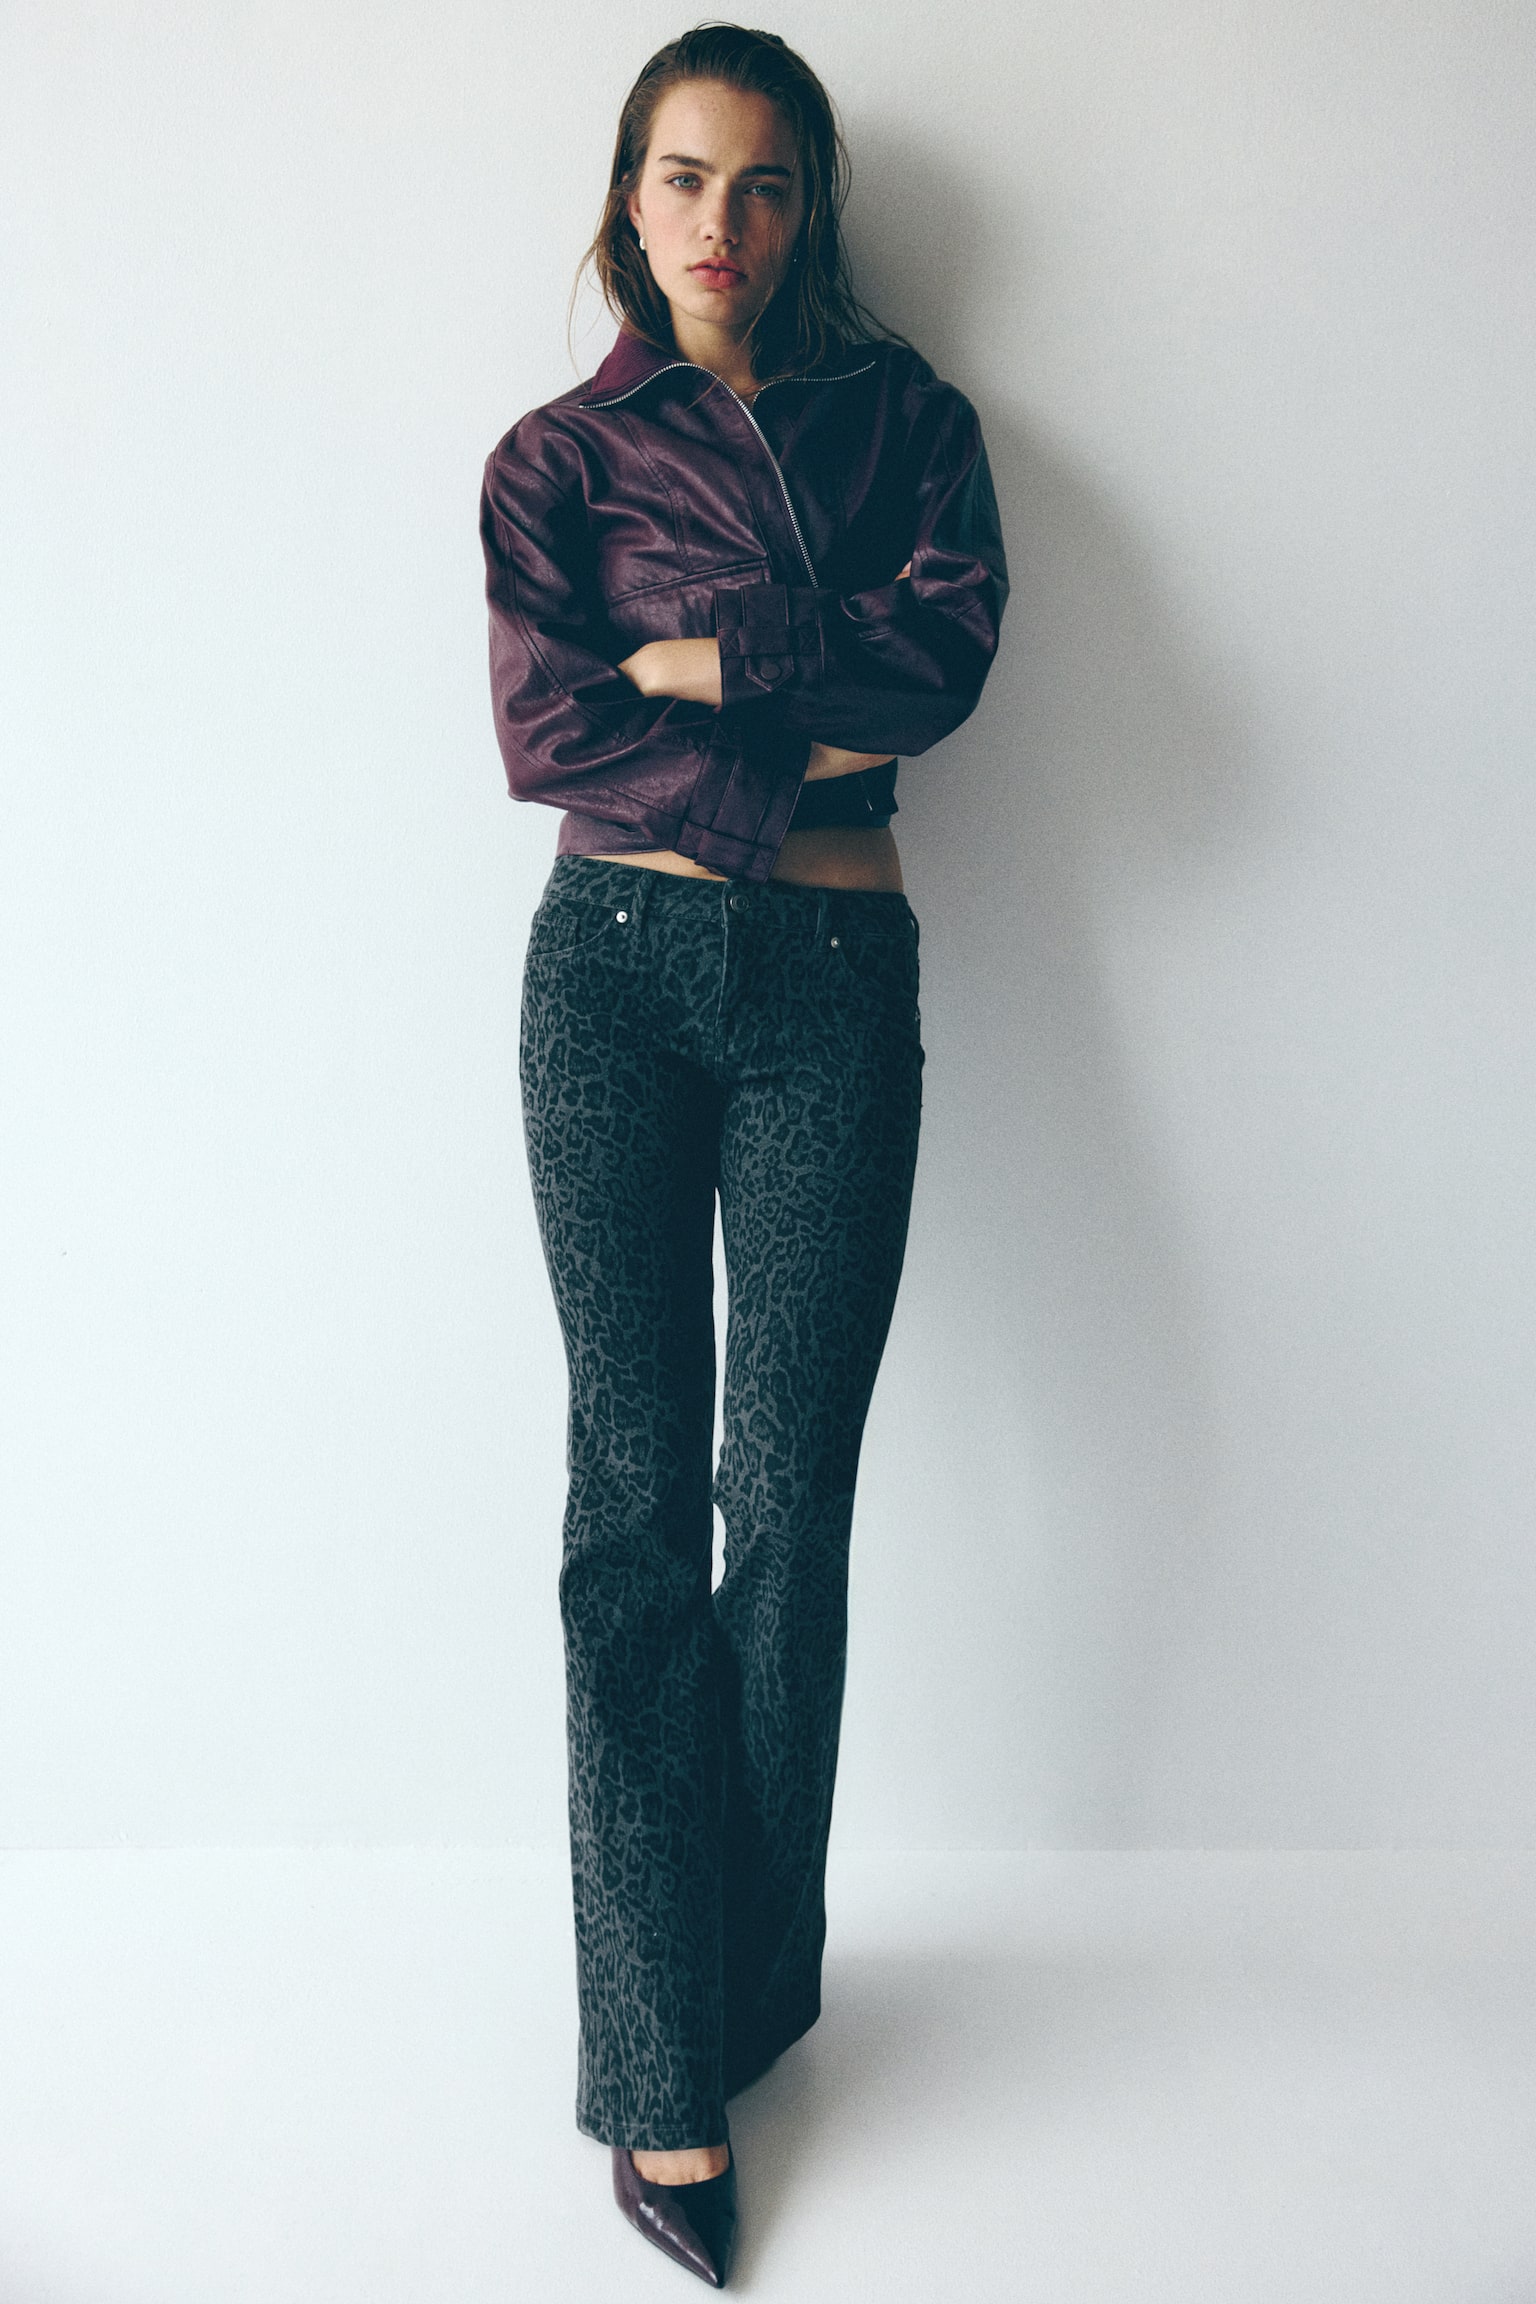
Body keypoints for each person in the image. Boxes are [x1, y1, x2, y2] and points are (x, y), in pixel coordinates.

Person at [479, 24, 1007, 2285]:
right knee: (631, 1504)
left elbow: (941, 669)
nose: (723, 220)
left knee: (786, 1508)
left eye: (765, 182)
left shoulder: (913, 427)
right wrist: (791, 696)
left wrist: (704, 659)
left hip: (834, 995)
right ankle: (657, 2068)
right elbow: (546, 724)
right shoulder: (555, 458)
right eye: (685, 177)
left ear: (811, 211)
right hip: (608, 981)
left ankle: (744, 1982)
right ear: (631, 196)